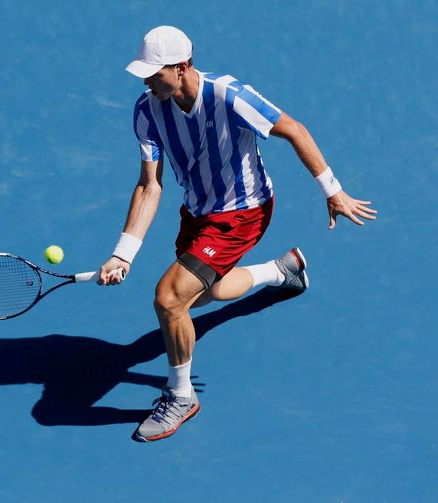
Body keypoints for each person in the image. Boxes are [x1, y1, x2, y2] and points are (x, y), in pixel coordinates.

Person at [98, 25, 376, 442]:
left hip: (243, 213)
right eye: (145, 72)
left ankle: (181, 396)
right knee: (202, 293)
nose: (147, 80)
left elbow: (294, 129)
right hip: (196, 213)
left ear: (183, 66)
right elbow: (149, 185)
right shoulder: (147, 110)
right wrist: (124, 252)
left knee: (170, 298)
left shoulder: (230, 96)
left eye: (155, 72)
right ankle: (281, 272)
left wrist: (333, 191)